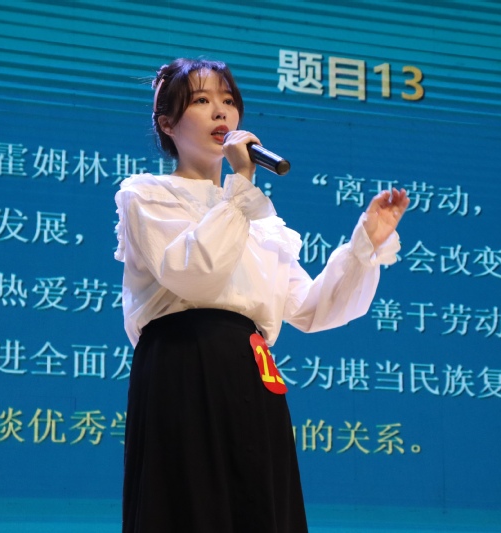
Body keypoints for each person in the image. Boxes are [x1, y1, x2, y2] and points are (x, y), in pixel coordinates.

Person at [114, 57, 409, 533]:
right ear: (167, 124)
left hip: (251, 372)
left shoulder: (256, 217)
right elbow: (193, 275)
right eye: (202, 100)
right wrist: (241, 184)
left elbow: (311, 310)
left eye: (228, 100)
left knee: (257, 507)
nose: (221, 112)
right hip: (183, 364)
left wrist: (364, 245)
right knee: (191, 506)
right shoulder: (148, 195)